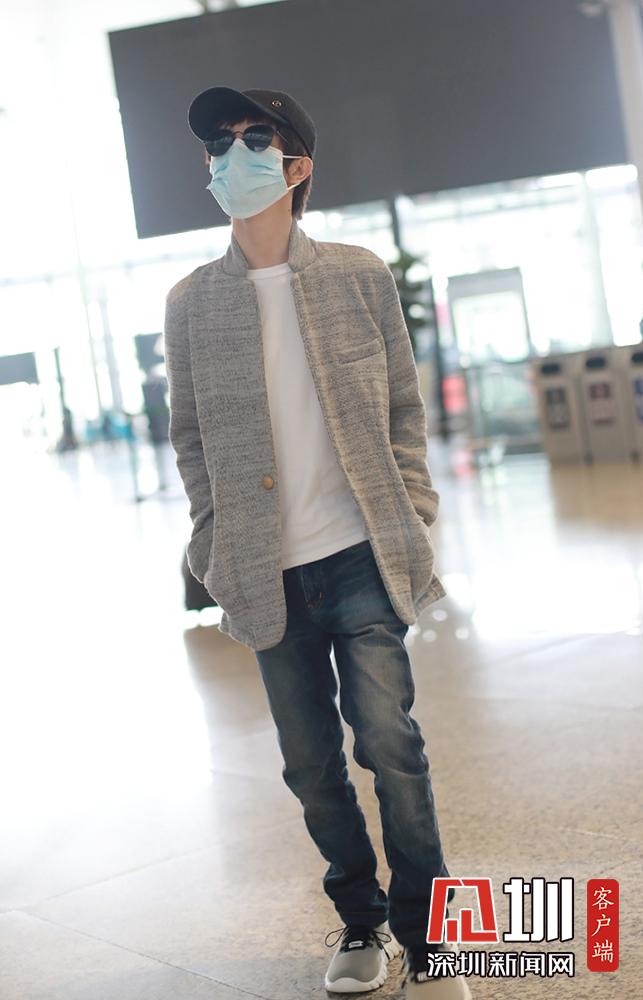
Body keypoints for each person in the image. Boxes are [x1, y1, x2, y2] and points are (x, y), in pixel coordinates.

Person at [164, 86, 471, 999]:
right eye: (220, 143)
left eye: (254, 137)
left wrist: (411, 506)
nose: (233, 154)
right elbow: (189, 437)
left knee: (391, 746)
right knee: (309, 768)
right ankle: (360, 923)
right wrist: (214, 542)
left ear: (297, 166)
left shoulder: (358, 274)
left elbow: (404, 407)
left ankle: (431, 940)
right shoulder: (190, 303)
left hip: (359, 552)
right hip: (266, 571)